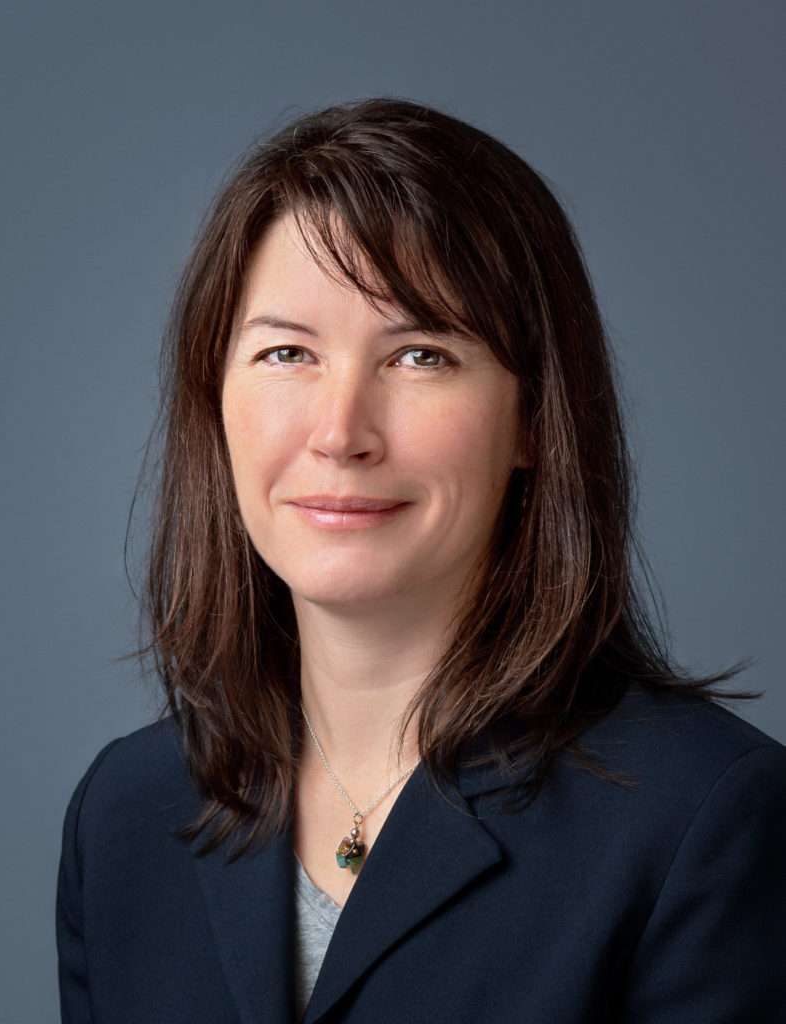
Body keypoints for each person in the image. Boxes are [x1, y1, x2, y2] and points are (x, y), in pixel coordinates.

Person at [55, 97, 786, 1023]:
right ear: (216, 399)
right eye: (287, 352)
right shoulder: (125, 813)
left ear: (532, 419)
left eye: (420, 356)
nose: (339, 432)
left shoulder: (707, 819)